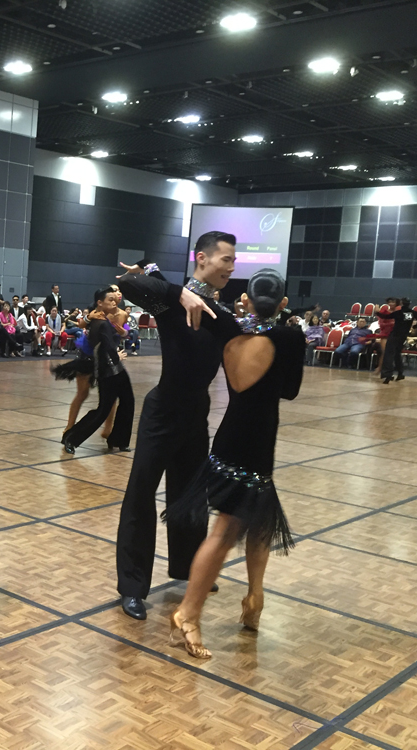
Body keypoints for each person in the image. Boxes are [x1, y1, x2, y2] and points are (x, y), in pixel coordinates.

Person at [164, 269, 302, 659]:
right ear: (283, 302)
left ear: (245, 300)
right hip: (257, 444)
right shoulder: (289, 337)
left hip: (228, 441)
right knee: (225, 533)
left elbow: (178, 294)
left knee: (260, 520)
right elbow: (290, 391)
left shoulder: (227, 328)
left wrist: (162, 279)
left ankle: (255, 598)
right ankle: (187, 614)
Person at [114, 231, 236, 621]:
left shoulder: (220, 315)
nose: (231, 268)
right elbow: (126, 284)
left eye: (233, 261)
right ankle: (132, 586)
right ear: (202, 258)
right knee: (140, 495)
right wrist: (179, 293)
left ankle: (188, 567)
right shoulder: (172, 302)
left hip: (196, 414)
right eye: (226, 260)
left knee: (189, 496)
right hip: (162, 412)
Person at [60, 287, 135, 454]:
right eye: (110, 299)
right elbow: (102, 346)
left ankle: (119, 440)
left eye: (115, 298)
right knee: (102, 409)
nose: (114, 301)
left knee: (128, 402)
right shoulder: (98, 322)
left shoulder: (110, 318)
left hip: (117, 369)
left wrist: (124, 335)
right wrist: (116, 356)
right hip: (106, 371)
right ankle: (71, 437)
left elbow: (119, 336)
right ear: (100, 303)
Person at [378, 297, 413, 384]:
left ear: (401, 303)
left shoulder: (398, 313)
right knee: (397, 353)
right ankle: (400, 373)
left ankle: (388, 375)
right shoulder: (413, 313)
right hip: (403, 336)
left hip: (395, 335)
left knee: (389, 354)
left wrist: (377, 312)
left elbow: (385, 316)